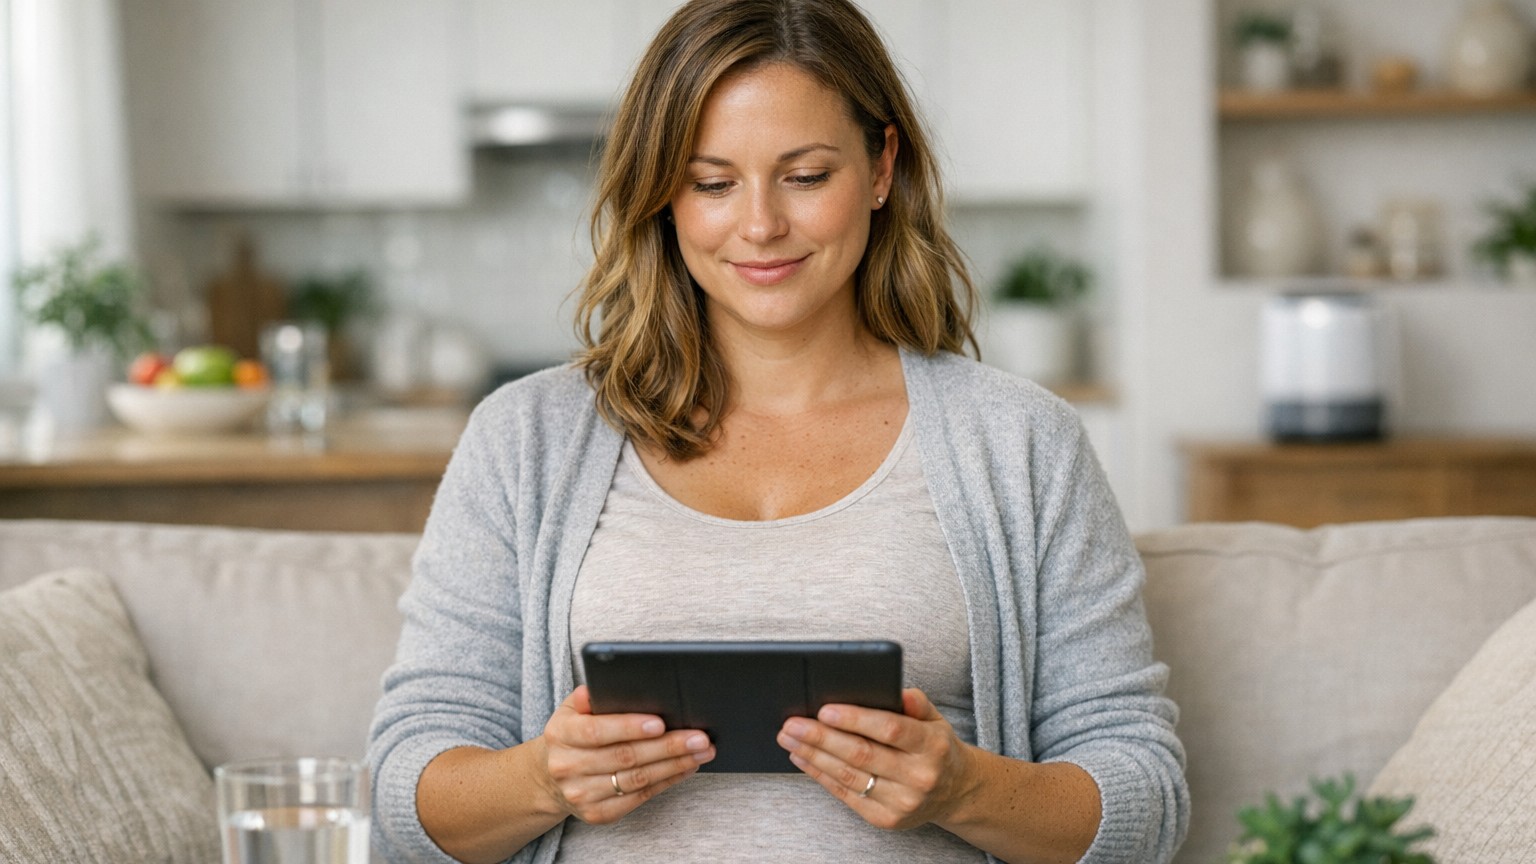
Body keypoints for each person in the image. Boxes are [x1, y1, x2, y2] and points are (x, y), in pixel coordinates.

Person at [367, 0, 1189, 862]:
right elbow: (404, 788)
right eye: (712, 183)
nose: (759, 224)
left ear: (881, 168)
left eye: (804, 176)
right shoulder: (524, 439)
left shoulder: (1023, 443)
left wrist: (965, 789)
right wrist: (542, 778)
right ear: (663, 196)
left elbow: (1147, 800)